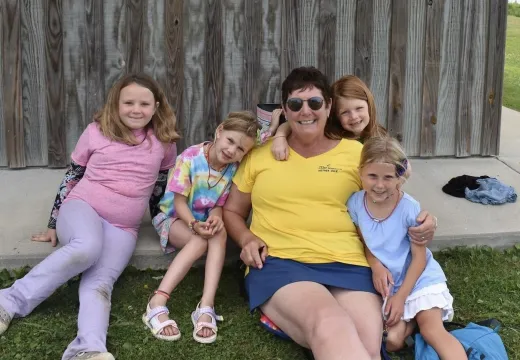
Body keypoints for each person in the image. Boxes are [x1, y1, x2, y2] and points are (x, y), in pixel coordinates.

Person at [222, 66, 437, 360]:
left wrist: (427, 219)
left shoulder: (356, 154)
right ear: (285, 109)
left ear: (329, 106)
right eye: (295, 104)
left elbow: (392, 197)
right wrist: (246, 238)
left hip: (349, 263)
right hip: (283, 262)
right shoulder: (261, 155)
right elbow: (233, 211)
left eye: (314, 103)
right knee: (330, 324)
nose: (305, 111)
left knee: (369, 344)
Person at [0, 73, 180, 360]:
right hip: (82, 207)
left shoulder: (164, 142)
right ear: (116, 104)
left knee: (100, 284)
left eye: (144, 103)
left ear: (156, 106)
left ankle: (87, 349)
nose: (136, 109)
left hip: (124, 227)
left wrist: (163, 225)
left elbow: (159, 189)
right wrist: (52, 223)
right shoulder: (97, 131)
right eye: (129, 102)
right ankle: (8, 301)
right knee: (86, 246)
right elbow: (72, 176)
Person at [143, 111, 260, 344]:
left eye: (240, 150)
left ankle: (206, 306)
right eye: (230, 141)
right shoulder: (190, 157)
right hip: (174, 217)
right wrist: (194, 224)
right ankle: (157, 301)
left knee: (220, 232)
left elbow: (218, 204)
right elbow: (178, 202)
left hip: (202, 220)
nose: (232, 150)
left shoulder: (231, 168)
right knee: (198, 240)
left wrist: (216, 218)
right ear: (219, 131)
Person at [347, 136, 465, 359]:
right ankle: (411, 324)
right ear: (360, 171)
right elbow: (365, 242)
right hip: (389, 282)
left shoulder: (409, 208)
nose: (379, 185)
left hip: (418, 279)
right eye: (372, 176)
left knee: (432, 331)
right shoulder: (355, 203)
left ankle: (422, 322)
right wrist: (375, 264)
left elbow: (419, 259)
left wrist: (401, 297)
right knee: (390, 341)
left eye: (388, 177)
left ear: (399, 178)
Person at [270, 74, 386, 161]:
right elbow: (295, 124)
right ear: (335, 114)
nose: (354, 117)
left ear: (369, 105)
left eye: (359, 108)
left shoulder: (379, 134)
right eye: (345, 112)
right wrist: (279, 136)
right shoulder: (333, 136)